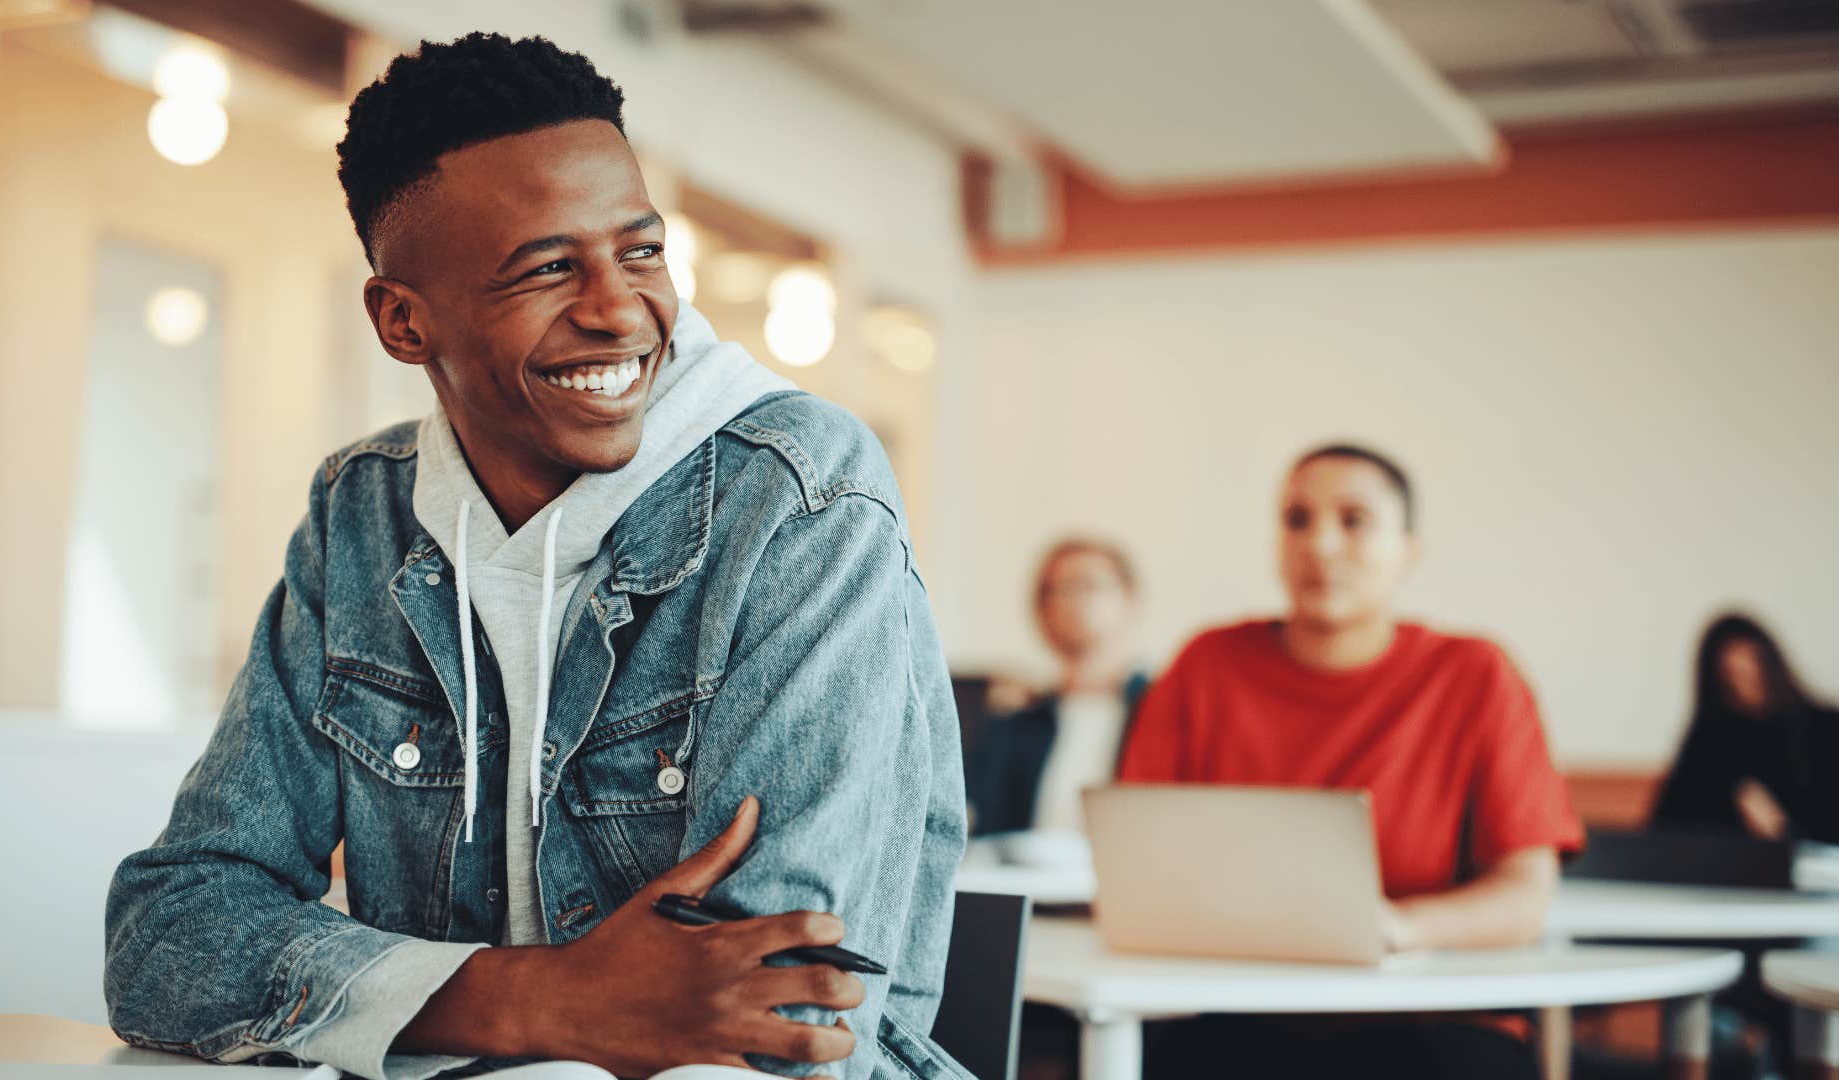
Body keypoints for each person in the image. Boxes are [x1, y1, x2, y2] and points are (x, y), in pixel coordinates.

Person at [103, 33, 968, 1080]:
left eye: (641, 251)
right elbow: (168, 933)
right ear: (403, 322)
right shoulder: (363, 514)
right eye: (549, 268)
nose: (619, 310)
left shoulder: (799, 495)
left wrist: (415, 1002)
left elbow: (786, 1030)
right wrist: (539, 1000)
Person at [1118, 444, 1585, 1080]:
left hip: (1429, 1020)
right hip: (1239, 1012)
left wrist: (1400, 926)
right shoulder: (1206, 666)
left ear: (1409, 552)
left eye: (1354, 520)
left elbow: (1525, 895)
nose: (1321, 545)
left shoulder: (1476, 676)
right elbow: (1140, 861)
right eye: (1297, 520)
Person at [966, 538, 1150, 847]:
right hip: (1030, 888)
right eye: (1051, 590)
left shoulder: (1163, 711)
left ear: (1131, 600)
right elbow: (985, 827)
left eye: (1085, 585)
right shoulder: (1016, 720)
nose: (1066, 600)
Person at [1653, 613, 1839, 844]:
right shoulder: (1707, 744)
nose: (1749, 687)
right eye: (1734, 677)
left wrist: (1784, 829)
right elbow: (1666, 832)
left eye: (1754, 670)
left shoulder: (1823, 730)